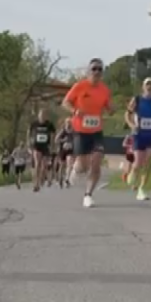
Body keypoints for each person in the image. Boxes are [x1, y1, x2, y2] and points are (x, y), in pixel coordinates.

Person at [62, 58, 113, 207]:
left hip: (96, 131)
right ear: (88, 71)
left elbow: (108, 106)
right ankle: (75, 170)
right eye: (94, 69)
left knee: (96, 162)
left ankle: (88, 194)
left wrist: (112, 109)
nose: (97, 72)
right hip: (80, 130)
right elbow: (65, 102)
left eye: (100, 69)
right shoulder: (79, 86)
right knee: (83, 165)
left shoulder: (104, 90)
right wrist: (75, 111)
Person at [125, 77, 151, 201]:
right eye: (147, 85)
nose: (149, 87)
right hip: (139, 134)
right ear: (143, 87)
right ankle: (133, 172)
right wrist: (132, 125)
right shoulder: (137, 99)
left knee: (147, 162)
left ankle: (141, 189)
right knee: (138, 162)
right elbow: (127, 114)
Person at [28, 109, 56, 192]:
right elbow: (29, 132)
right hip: (36, 145)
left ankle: (41, 179)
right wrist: (29, 142)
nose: (42, 117)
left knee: (44, 166)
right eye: (41, 115)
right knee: (37, 164)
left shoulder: (49, 124)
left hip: (45, 146)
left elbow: (53, 133)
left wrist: (52, 144)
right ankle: (36, 184)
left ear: (46, 116)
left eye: (44, 115)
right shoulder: (34, 124)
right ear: (38, 116)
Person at [56, 119, 75, 187]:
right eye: (67, 122)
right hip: (63, 150)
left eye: (70, 123)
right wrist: (63, 140)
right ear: (65, 123)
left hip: (70, 150)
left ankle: (67, 179)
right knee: (62, 165)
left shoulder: (73, 132)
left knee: (70, 163)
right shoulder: (63, 131)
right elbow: (56, 140)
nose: (68, 124)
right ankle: (60, 179)